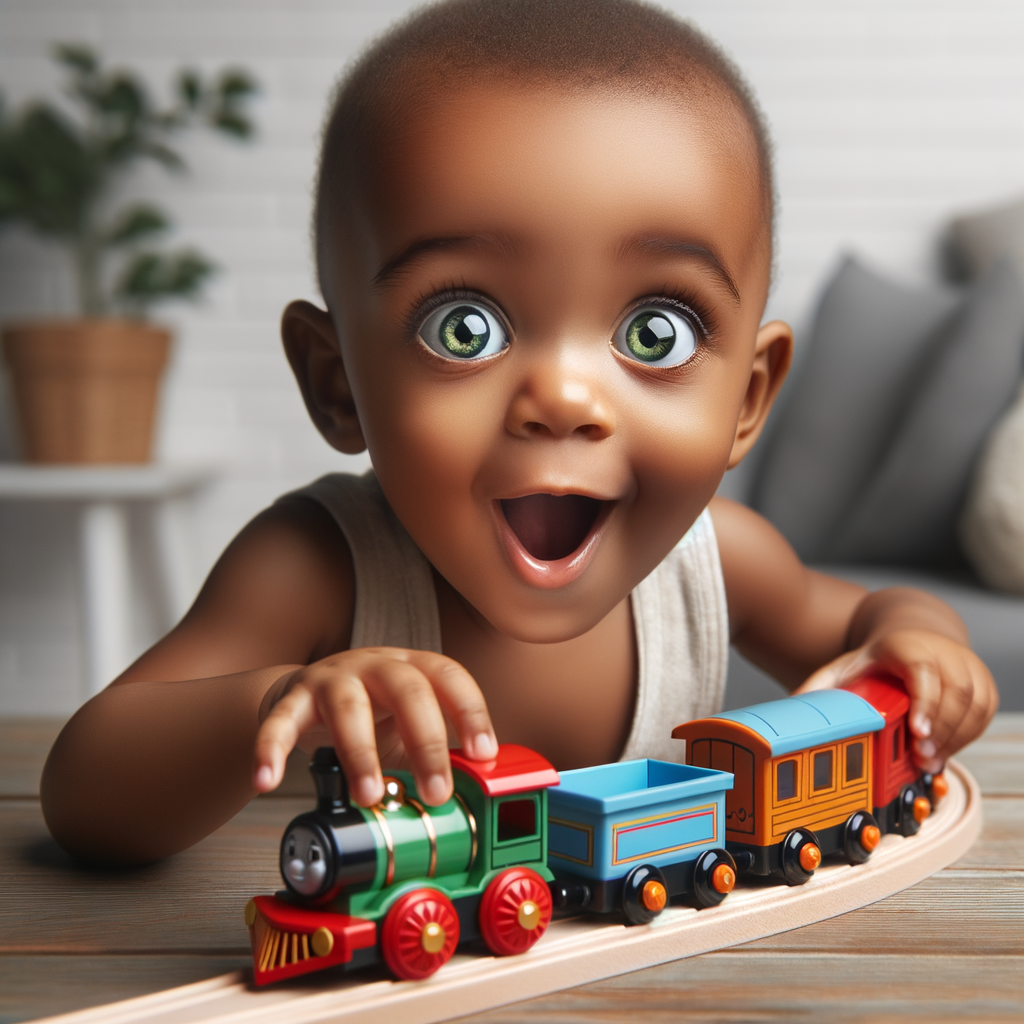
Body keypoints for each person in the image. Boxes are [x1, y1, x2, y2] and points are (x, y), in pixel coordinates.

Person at [41, 0, 998, 865]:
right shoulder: (321, 567)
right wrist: (281, 700)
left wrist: (926, 643)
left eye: (653, 333)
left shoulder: (716, 566)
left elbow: (877, 622)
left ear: (748, 399)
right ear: (337, 386)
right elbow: (86, 791)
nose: (565, 398)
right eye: (465, 328)